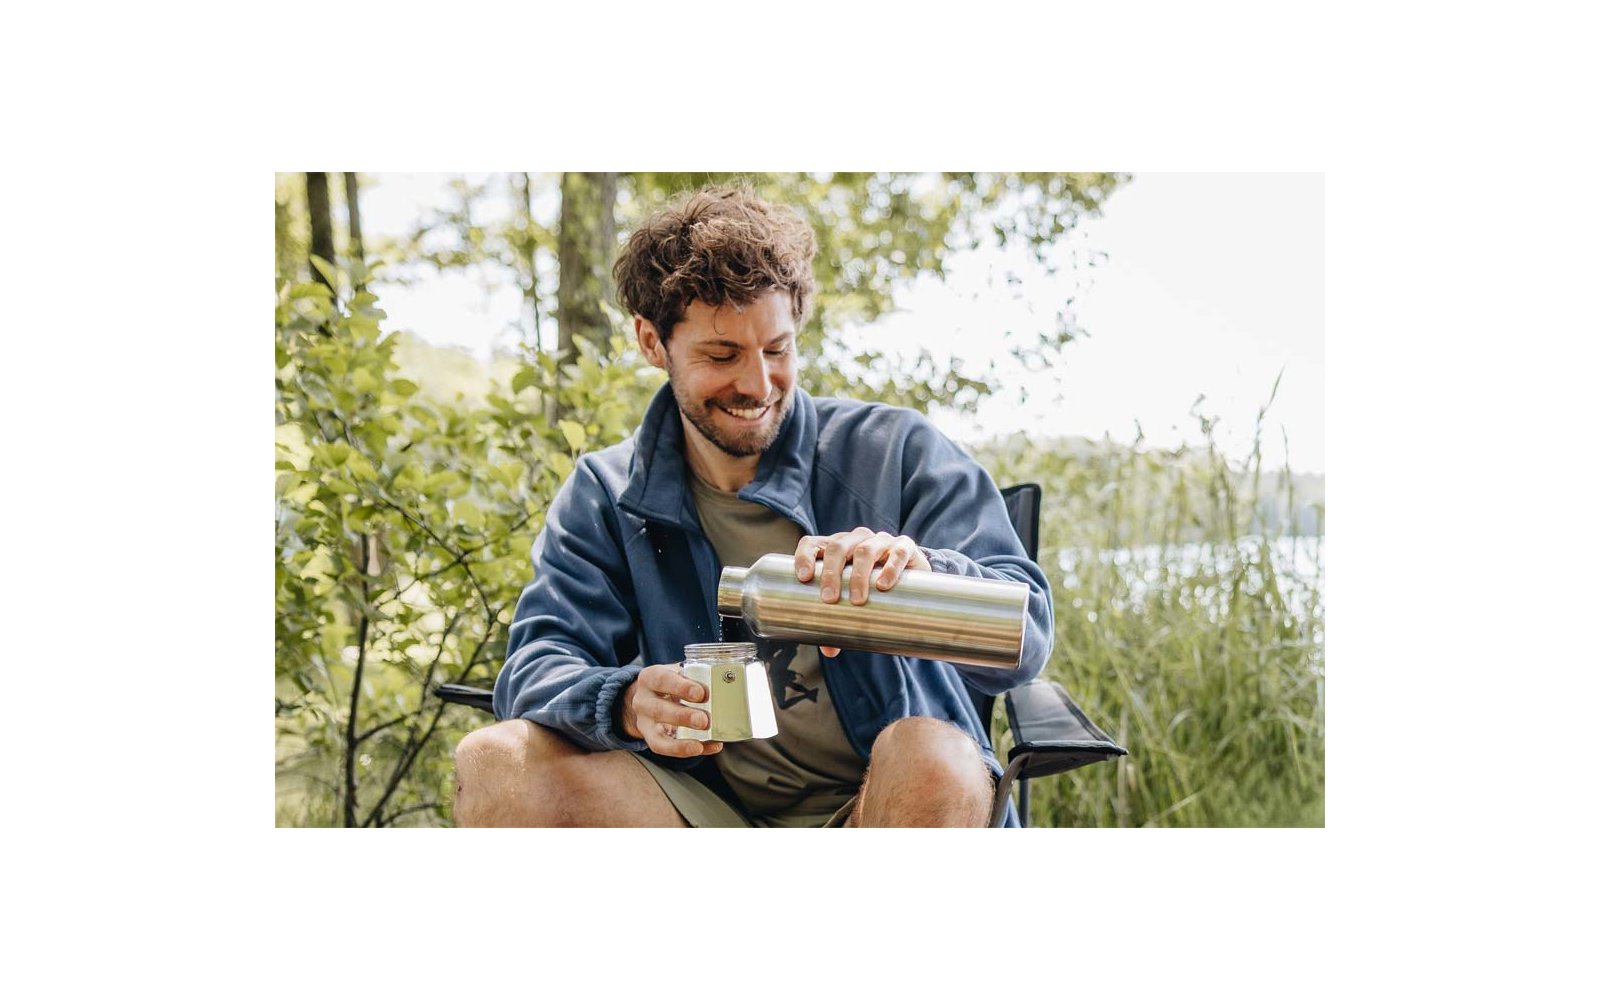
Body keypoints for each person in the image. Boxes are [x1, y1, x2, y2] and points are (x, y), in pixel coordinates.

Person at [453, 185, 1053, 827]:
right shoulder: (606, 494)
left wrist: (921, 573)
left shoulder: (896, 451)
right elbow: (535, 664)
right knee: (495, 760)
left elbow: (1029, 632)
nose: (758, 385)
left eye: (777, 349)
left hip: (888, 802)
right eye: (722, 355)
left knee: (936, 753)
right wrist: (624, 702)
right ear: (653, 343)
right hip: (700, 813)